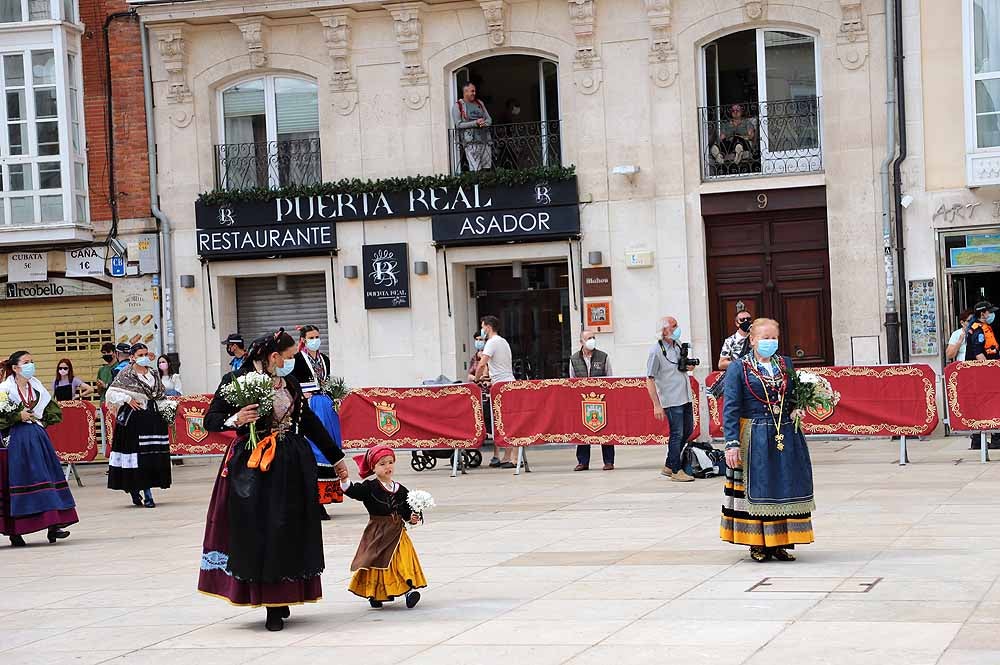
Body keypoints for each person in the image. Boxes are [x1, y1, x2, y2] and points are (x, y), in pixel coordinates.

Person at [198, 329, 349, 632]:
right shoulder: (236, 382)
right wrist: (237, 419)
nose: (293, 361)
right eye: (290, 356)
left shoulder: (289, 383)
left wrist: (337, 457)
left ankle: (285, 594)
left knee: (289, 528)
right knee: (262, 530)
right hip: (254, 467)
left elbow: (309, 423)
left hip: (290, 464)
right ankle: (270, 603)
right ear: (273, 356)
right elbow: (210, 419)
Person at [720, 318, 815, 563]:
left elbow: (792, 396)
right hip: (754, 434)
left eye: (773, 338)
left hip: (785, 433)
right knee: (760, 487)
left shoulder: (785, 364)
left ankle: (781, 542)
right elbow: (730, 408)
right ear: (752, 340)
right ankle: (758, 544)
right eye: (764, 338)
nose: (769, 342)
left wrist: (796, 408)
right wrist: (731, 443)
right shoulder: (738, 368)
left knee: (784, 484)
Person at [0, 351, 77, 547]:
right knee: (20, 480)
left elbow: (51, 409)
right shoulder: (5, 389)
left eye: (31, 362)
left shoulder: (36, 386)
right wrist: (17, 417)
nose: (30, 365)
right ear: (15, 368)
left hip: (37, 437)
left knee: (46, 476)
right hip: (16, 440)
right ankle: (15, 531)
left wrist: (40, 419)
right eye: (26, 362)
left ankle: (54, 525)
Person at [343, 445, 426, 609]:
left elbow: (406, 509)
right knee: (376, 562)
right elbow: (353, 491)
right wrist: (345, 480)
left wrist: (412, 518)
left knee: (402, 560)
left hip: (398, 532)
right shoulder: (370, 487)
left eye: (390, 462)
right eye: (382, 464)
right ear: (373, 467)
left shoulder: (400, 489)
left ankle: (409, 591)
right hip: (378, 531)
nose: (388, 467)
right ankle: (375, 592)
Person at [105, 344, 172, 508]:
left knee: (150, 456)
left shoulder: (153, 374)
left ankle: (140, 489)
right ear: (132, 357)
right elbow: (110, 393)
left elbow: (160, 394)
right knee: (138, 456)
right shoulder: (126, 373)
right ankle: (144, 493)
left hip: (152, 418)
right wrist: (127, 399)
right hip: (134, 420)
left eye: (145, 354)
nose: (143, 357)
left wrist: (167, 410)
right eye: (139, 354)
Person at [292, 325, 343, 515]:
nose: (315, 339)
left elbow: (327, 382)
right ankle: (315, 500)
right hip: (310, 406)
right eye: (311, 337)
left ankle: (326, 496)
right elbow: (293, 384)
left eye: (317, 336)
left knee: (329, 444)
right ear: (303, 340)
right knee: (314, 449)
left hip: (326, 406)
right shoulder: (296, 360)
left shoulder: (325, 360)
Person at [646, 316, 695, 482]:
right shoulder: (656, 351)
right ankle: (676, 470)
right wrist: (656, 405)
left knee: (688, 430)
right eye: (673, 326)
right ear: (664, 330)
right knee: (677, 433)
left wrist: (689, 366)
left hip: (685, 395)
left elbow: (681, 366)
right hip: (671, 398)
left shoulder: (679, 344)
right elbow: (649, 378)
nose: (677, 328)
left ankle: (668, 465)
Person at [570, 331, 615, 471]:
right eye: (589, 338)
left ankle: (609, 461)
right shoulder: (574, 359)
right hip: (582, 400)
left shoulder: (603, 357)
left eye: (593, 338)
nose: (592, 340)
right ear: (581, 342)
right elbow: (571, 381)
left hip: (601, 399)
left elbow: (610, 378)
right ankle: (583, 461)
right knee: (582, 428)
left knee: (605, 428)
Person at [475, 315, 516, 468]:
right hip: (508, 382)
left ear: (488, 327)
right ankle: (507, 457)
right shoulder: (503, 341)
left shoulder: (492, 342)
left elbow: (481, 365)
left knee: (504, 422)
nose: (482, 329)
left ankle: (512, 458)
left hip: (501, 385)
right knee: (506, 421)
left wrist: (476, 380)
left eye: (483, 326)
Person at [964, 301, 1000, 451]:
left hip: (986, 374)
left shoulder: (985, 328)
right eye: (989, 312)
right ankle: (980, 439)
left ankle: (992, 438)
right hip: (982, 376)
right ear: (982, 313)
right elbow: (979, 354)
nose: (991, 314)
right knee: (986, 406)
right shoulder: (978, 331)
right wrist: (990, 372)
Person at [451, 81, 493, 172]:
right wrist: (475, 123)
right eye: (472, 91)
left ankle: (487, 186)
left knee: (487, 168)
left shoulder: (479, 103)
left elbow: (489, 120)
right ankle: (477, 186)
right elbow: (458, 124)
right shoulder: (458, 106)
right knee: (475, 169)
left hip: (485, 140)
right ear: (465, 91)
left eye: (474, 91)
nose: (474, 93)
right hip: (471, 142)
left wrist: (483, 123)